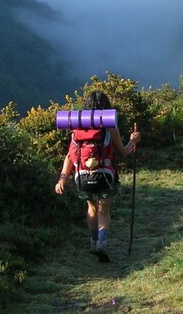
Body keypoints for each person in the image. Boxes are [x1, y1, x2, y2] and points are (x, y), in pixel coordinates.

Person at [54, 91, 140, 262]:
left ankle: (93, 243)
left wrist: (62, 178)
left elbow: (70, 155)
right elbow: (123, 152)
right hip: (106, 177)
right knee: (104, 210)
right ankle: (102, 242)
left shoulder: (77, 127)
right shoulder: (109, 127)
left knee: (92, 209)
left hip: (82, 177)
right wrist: (134, 141)